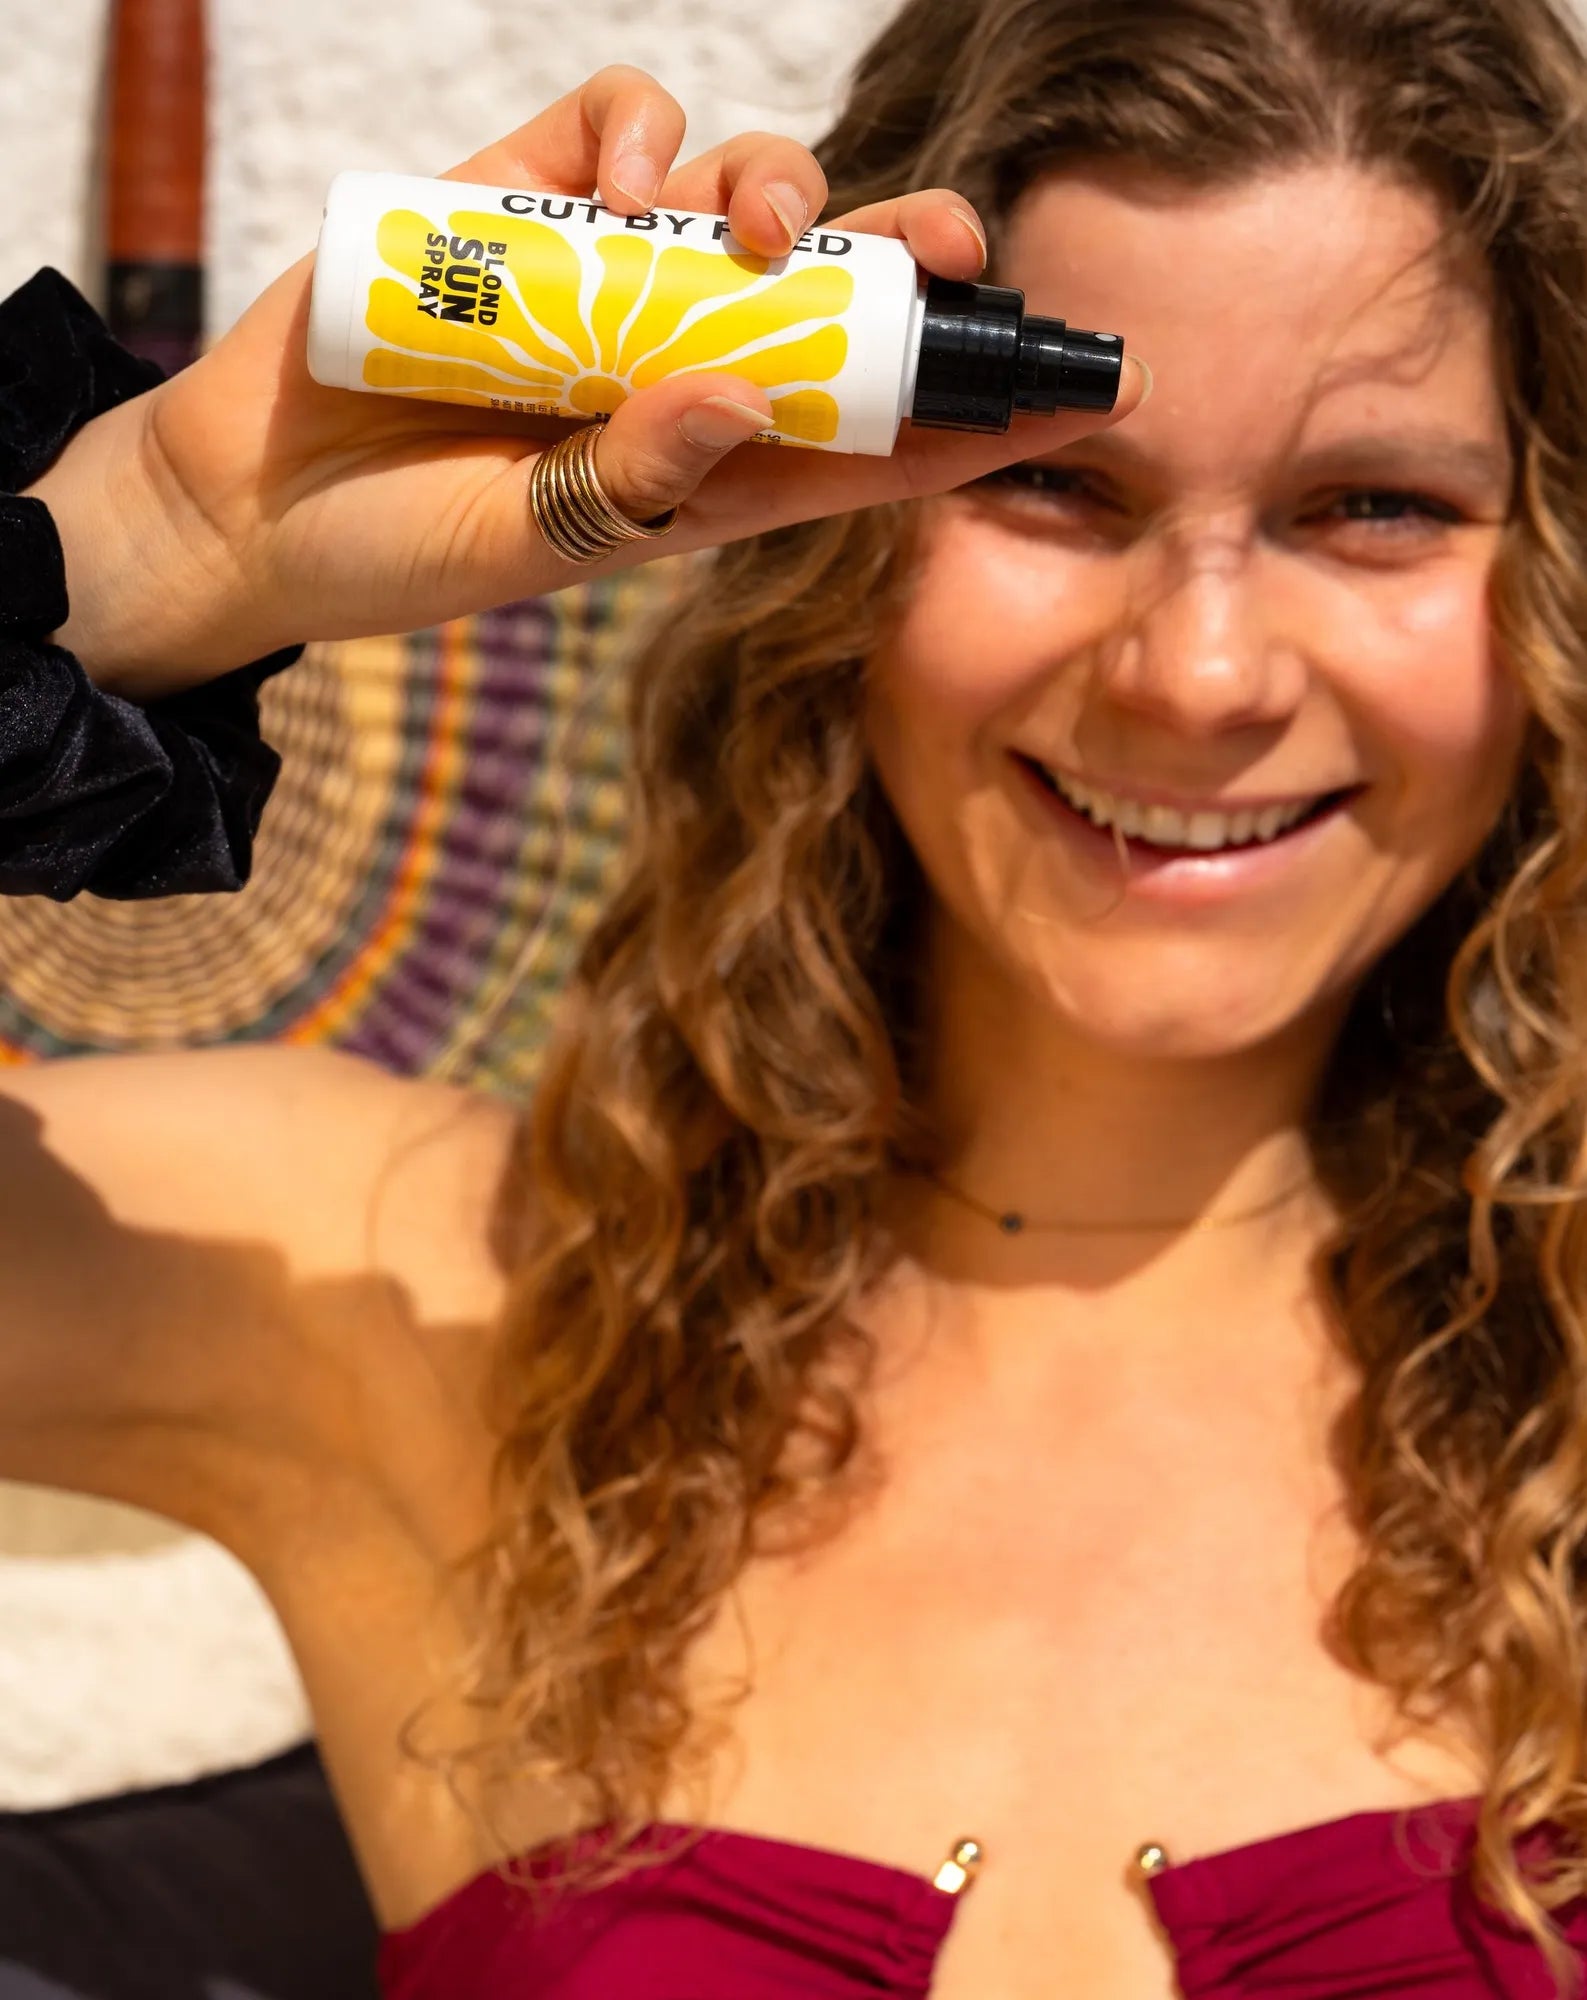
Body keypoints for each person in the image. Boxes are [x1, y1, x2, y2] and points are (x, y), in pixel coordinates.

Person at [3, 0, 1586, 1987]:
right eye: (1056, 490)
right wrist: (152, 538)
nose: (1198, 677)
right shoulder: (400, 1288)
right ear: (828, 533)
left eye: (1372, 507)